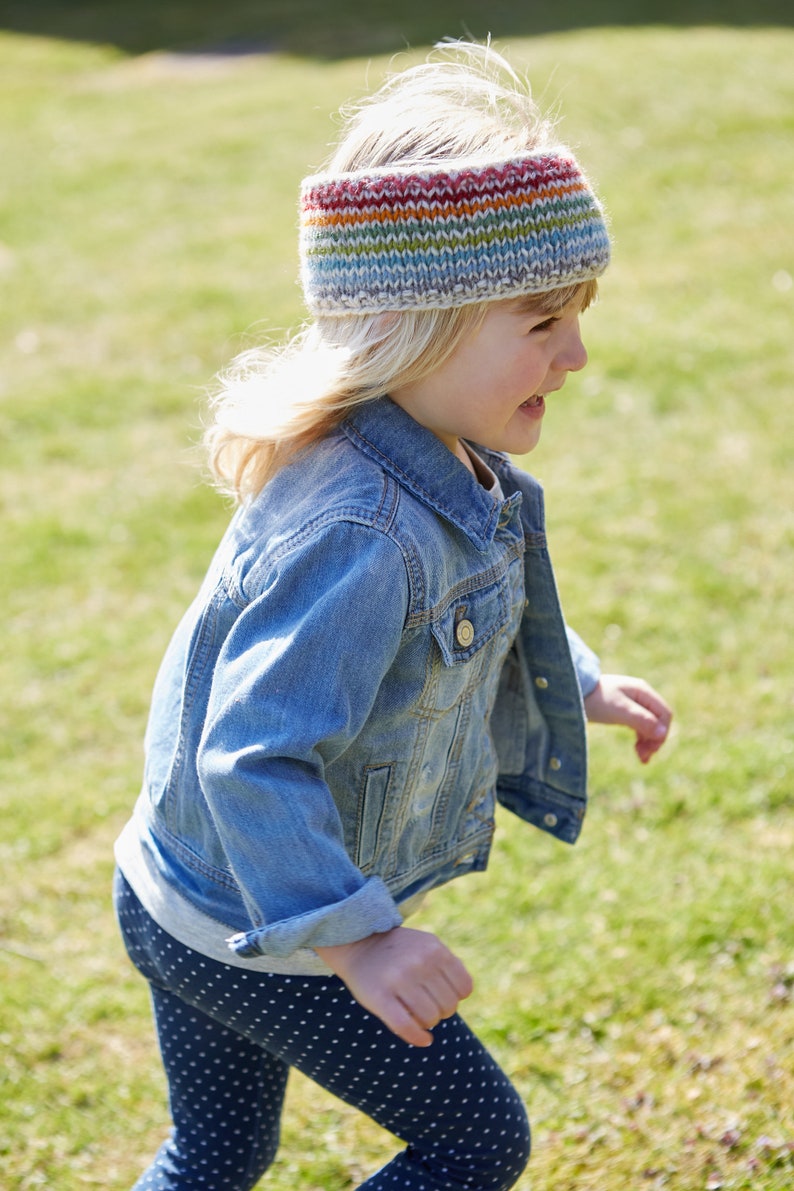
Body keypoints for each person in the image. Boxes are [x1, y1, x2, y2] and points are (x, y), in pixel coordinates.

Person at [114, 40, 672, 1191]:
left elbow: (458, 621)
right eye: (538, 321)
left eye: (576, 314)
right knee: (474, 1142)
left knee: (215, 1152)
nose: (575, 354)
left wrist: (568, 680)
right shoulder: (357, 531)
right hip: (258, 922)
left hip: (192, 893)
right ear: (414, 327)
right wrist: (359, 938)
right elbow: (250, 754)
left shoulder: (434, 456)